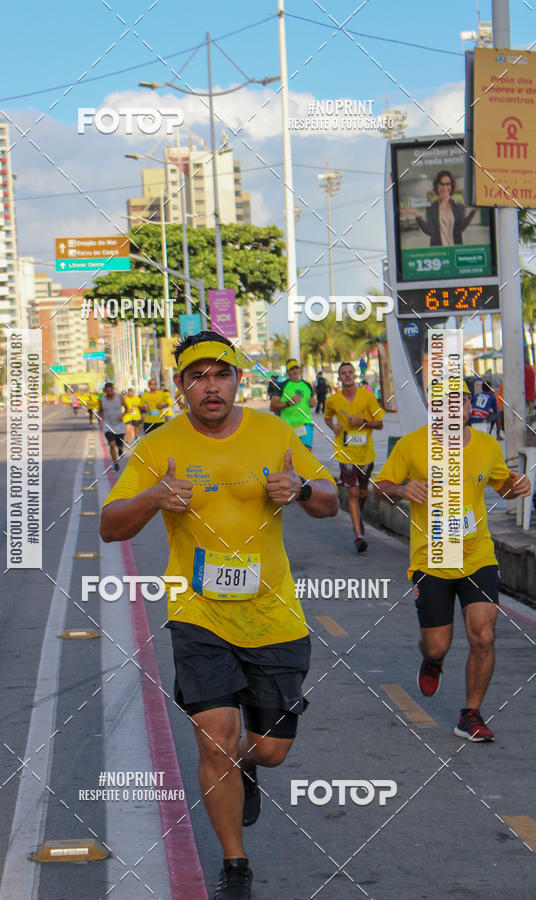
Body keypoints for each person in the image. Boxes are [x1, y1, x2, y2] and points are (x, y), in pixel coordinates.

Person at [100, 330, 339, 900]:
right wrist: (154, 498)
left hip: (274, 616)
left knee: (269, 749)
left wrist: (301, 488)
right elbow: (111, 525)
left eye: (222, 374)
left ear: (238, 380)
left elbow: (329, 500)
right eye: (198, 376)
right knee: (215, 740)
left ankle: (248, 766)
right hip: (197, 612)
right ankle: (236, 866)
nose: (212, 385)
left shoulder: (274, 432)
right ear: (181, 385)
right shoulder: (159, 446)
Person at [374, 381, 530, 742]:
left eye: (460, 401)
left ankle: (470, 714)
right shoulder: (413, 445)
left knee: (484, 634)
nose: (454, 408)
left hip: (478, 556)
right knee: (437, 644)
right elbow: (379, 485)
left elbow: (502, 485)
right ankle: (432, 661)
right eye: (445, 402)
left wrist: (517, 484)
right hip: (431, 560)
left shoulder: (487, 446)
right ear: (434, 407)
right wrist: (401, 488)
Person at [324, 361, 384, 553]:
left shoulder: (367, 397)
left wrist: (362, 422)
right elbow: (327, 416)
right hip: (345, 452)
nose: (347, 375)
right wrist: (333, 426)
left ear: (355, 375)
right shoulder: (333, 400)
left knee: (363, 495)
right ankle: (359, 537)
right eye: (343, 373)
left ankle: (358, 518)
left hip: (366, 454)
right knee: (353, 493)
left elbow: (380, 423)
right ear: (339, 377)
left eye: (350, 372)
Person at [401, 170, 476, 246]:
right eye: (441, 184)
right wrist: (416, 214)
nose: (445, 188)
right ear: (437, 186)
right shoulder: (431, 208)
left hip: (455, 249)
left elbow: (461, 227)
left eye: (448, 184)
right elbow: (430, 231)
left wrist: (473, 211)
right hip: (438, 251)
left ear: (452, 186)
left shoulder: (459, 206)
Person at [270, 359, 316, 448]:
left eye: (296, 368)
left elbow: (311, 403)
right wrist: (289, 403)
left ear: (299, 369)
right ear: (287, 372)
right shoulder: (281, 386)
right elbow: (272, 406)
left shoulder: (307, 385)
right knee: (291, 455)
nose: (295, 371)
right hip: (288, 426)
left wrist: (313, 403)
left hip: (306, 424)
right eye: (291, 369)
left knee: (306, 453)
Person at [99, 382, 127, 472]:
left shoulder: (119, 398)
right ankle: (115, 463)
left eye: (111, 391)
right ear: (105, 391)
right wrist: (100, 418)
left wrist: (123, 415)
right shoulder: (101, 400)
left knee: (120, 444)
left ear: (113, 390)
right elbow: (100, 411)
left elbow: (127, 407)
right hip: (108, 425)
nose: (109, 393)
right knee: (111, 444)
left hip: (119, 425)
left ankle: (120, 449)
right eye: (107, 391)